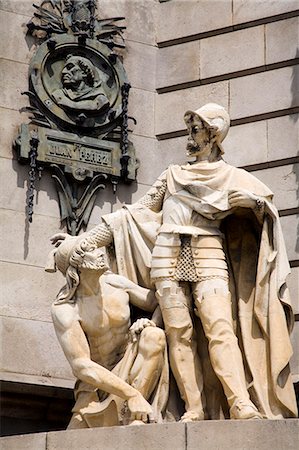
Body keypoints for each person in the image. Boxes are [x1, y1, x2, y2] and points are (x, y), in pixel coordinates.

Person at [51, 103, 298, 421]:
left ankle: (240, 402)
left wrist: (254, 204)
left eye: (196, 130)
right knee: (178, 333)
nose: (190, 136)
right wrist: (79, 243)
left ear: (213, 134)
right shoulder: (172, 175)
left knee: (220, 328)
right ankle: (193, 407)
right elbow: (134, 213)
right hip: (166, 255)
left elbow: (266, 213)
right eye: (189, 129)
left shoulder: (233, 178)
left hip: (208, 251)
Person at [46, 235, 168, 428]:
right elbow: (82, 366)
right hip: (97, 385)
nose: (100, 253)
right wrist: (130, 394)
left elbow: (160, 300)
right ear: (78, 265)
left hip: (132, 364)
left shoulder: (116, 283)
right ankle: (134, 402)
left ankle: (136, 417)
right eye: (92, 251)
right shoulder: (66, 309)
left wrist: (151, 322)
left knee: (154, 336)